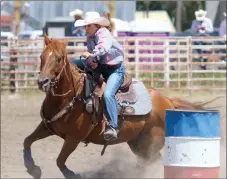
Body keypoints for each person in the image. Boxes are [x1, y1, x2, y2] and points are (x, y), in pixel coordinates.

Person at [72, 11, 126, 141]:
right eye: (85, 26)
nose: (85, 29)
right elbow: (93, 56)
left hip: (115, 70)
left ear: (96, 26)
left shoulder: (103, 33)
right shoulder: (90, 38)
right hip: (101, 67)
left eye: (88, 26)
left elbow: (103, 47)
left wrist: (92, 56)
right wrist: (92, 62)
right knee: (72, 64)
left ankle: (113, 126)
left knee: (108, 94)